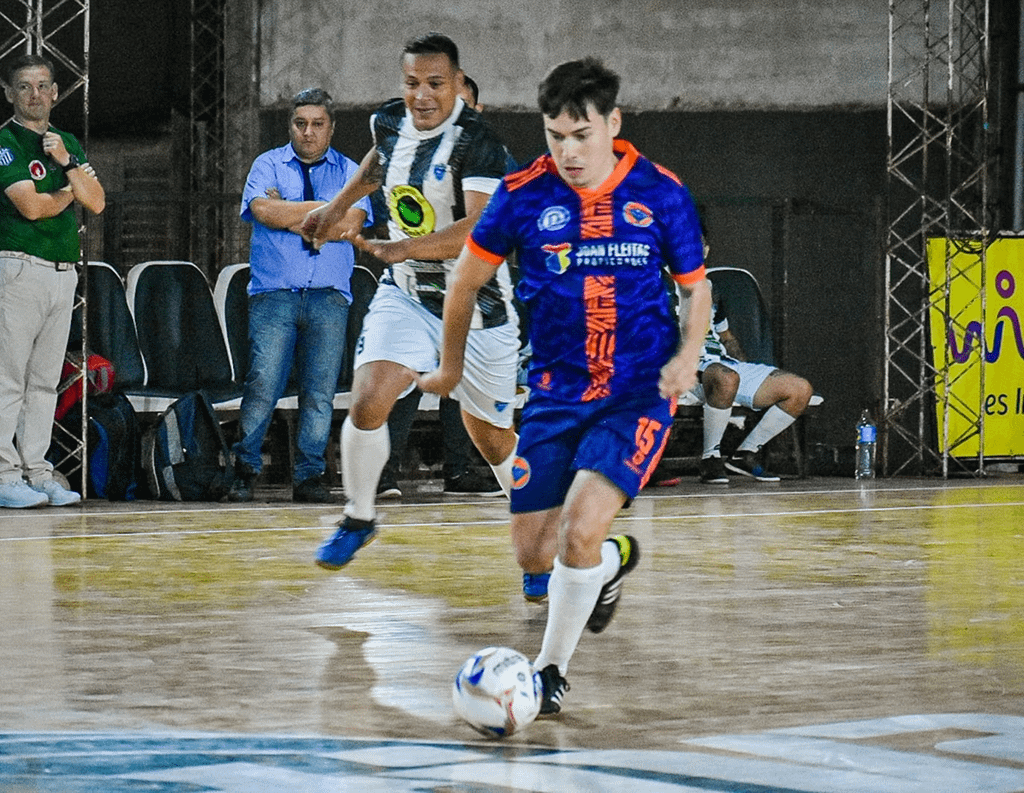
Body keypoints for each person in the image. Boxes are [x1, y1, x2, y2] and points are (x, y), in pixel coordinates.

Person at [418, 57, 711, 714]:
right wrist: (451, 367)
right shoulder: (523, 194)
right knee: (535, 551)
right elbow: (464, 282)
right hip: (554, 395)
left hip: (637, 393)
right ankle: (608, 561)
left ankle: (549, 672)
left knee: (578, 528)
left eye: (582, 135)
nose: (569, 152)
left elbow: (697, 290)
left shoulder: (661, 193)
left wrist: (689, 354)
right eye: (556, 136)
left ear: (613, 123)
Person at [302, 33, 520, 567]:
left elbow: (477, 231)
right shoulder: (389, 120)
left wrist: (403, 246)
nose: (422, 95)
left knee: (492, 440)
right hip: (408, 294)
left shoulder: (480, 143)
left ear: (458, 84)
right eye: (412, 83)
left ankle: (546, 534)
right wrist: (334, 208)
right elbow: (378, 164)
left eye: (435, 84)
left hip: (478, 307)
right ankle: (358, 517)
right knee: (368, 399)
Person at [226, 87, 372, 503]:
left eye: (317, 124)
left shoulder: (351, 171)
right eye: (300, 123)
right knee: (262, 384)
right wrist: (324, 211)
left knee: (320, 392)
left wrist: (290, 212)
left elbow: (348, 225)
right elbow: (262, 211)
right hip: (275, 295)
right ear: (290, 125)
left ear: (331, 128)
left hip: (329, 297)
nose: (308, 132)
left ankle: (309, 477)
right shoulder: (267, 163)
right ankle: (244, 470)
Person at [375, 72, 506, 501]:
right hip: (416, 287)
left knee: (462, 386)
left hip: (470, 289)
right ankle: (383, 473)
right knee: (404, 376)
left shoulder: (492, 156)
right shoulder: (409, 149)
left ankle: (461, 469)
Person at [0, 53, 105, 509]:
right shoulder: (5, 142)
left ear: (57, 93)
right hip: (19, 268)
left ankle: (38, 471)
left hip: (63, 273)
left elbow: (96, 202)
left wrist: (66, 162)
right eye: (24, 86)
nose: (35, 94)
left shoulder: (66, 143)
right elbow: (31, 207)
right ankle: (4, 474)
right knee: (8, 378)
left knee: (44, 381)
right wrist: (68, 189)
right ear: (9, 93)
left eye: (43, 86)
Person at [693, 276, 814, 484]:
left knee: (800, 389)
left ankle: (744, 454)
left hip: (722, 363)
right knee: (727, 378)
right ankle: (710, 458)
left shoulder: (709, 287)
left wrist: (745, 371)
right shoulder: (657, 285)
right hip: (687, 367)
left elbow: (727, 337)